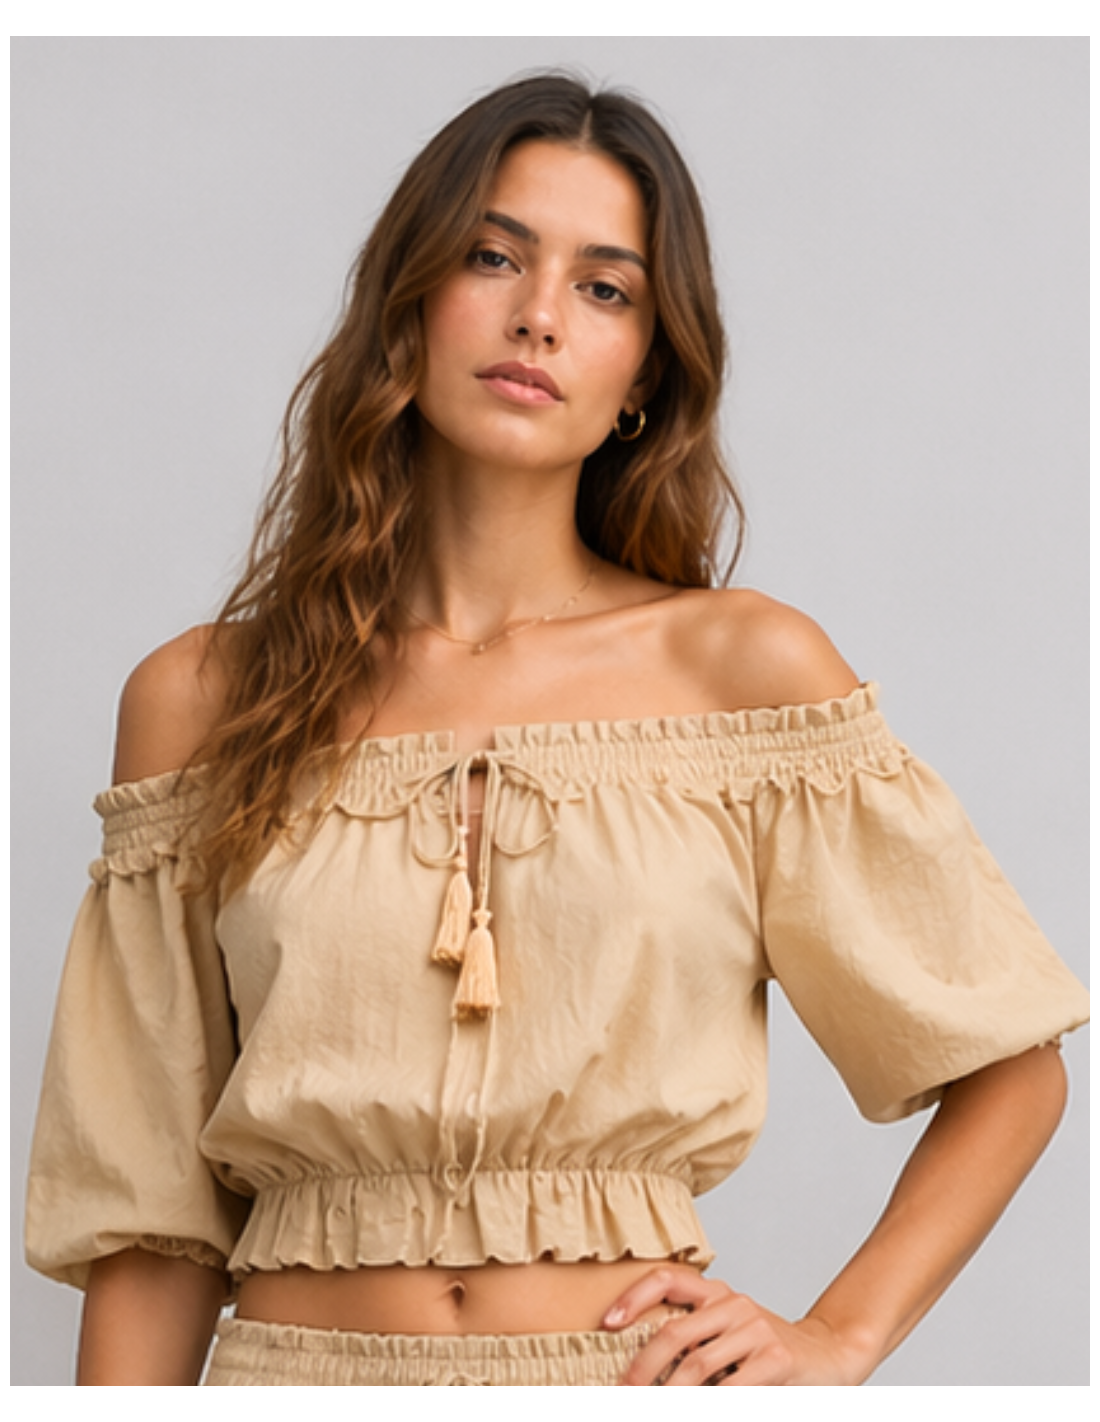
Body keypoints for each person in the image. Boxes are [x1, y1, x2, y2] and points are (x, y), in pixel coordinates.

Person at [25, 72, 1089, 1387]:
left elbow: (1010, 1067)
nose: (539, 314)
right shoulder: (203, 698)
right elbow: (152, 1224)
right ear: (407, 302)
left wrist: (838, 1333)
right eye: (494, 256)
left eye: (604, 288)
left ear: (645, 371)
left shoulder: (740, 673)